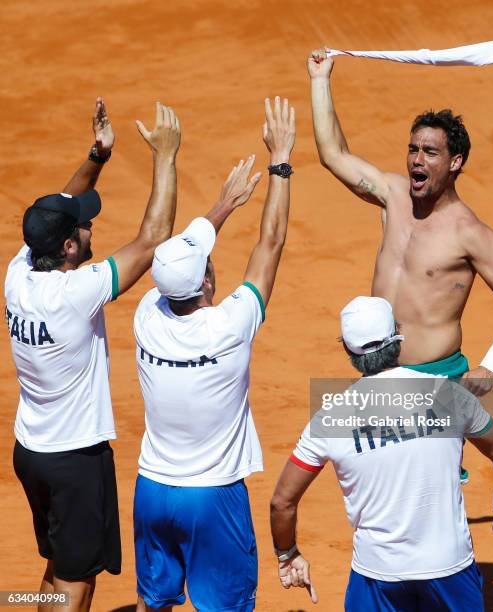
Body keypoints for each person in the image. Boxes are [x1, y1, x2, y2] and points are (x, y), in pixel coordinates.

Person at [6, 98, 181, 612]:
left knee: (61, 565)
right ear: (66, 250)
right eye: (82, 229)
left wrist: (97, 157)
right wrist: (166, 157)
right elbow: (152, 240)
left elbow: (54, 208)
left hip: (32, 453)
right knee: (77, 582)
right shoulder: (76, 292)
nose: (90, 230)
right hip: (74, 460)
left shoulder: (19, 274)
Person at [132, 96, 295, 612]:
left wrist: (221, 207)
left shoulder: (146, 317)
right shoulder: (230, 325)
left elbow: (171, 255)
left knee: (152, 602)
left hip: (152, 490)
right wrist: (281, 162)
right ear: (206, 280)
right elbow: (270, 243)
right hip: (213, 499)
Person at [270, 296, 493, 611]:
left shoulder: (330, 418)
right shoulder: (450, 395)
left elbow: (282, 502)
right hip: (450, 567)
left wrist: (288, 554)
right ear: (397, 339)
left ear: (348, 351)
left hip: (376, 573)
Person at [307, 48, 493, 395]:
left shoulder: (470, 234)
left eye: (430, 153)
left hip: (435, 377)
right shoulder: (393, 195)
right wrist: (320, 81)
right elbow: (333, 155)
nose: (417, 160)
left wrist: (490, 365)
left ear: (455, 161)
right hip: (379, 374)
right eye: (413, 149)